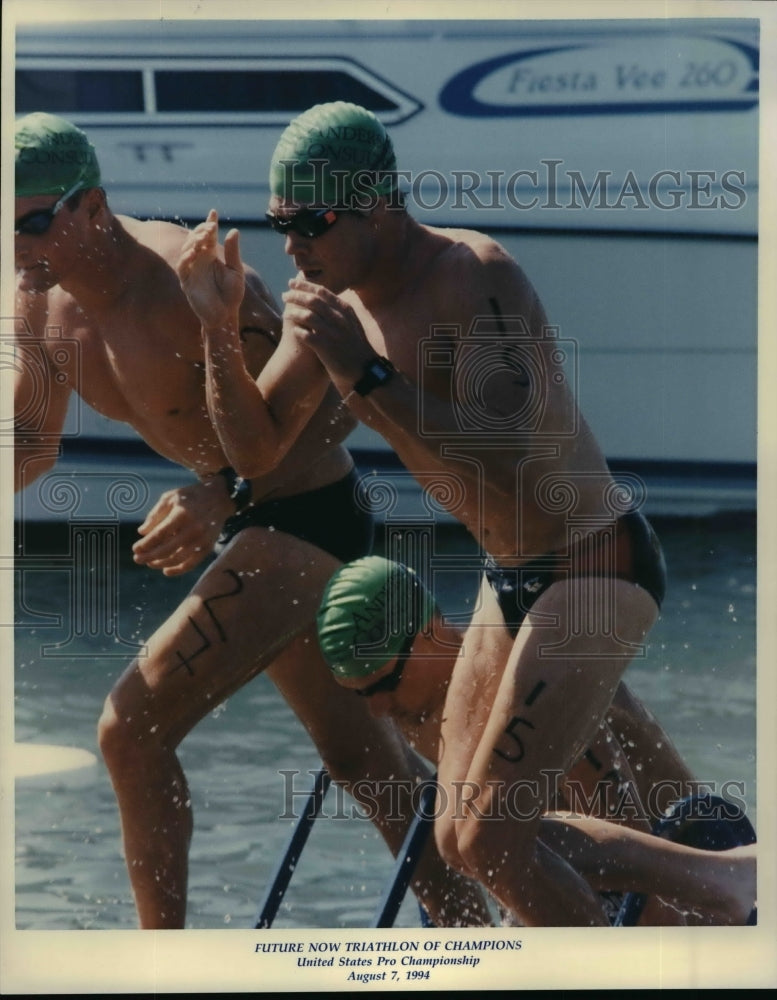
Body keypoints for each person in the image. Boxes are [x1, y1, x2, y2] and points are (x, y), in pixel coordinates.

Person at [175, 100, 757, 926]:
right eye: (277, 223)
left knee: (492, 836)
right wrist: (216, 333)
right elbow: (257, 453)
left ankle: (667, 929)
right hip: (509, 576)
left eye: (310, 221)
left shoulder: (470, 276)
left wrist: (368, 375)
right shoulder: (328, 307)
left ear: (375, 204)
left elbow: (517, 456)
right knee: (459, 835)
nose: (291, 245)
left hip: (593, 560)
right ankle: (724, 880)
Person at [13, 111, 490, 929]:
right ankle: (474, 930)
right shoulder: (39, 303)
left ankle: (161, 964)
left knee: (130, 730)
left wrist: (221, 493)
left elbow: (332, 401)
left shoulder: (175, 281)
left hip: (307, 512)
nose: (17, 243)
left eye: (31, 221)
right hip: (253, 525)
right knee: (361, 762)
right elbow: (27, 448)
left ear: (92, 207)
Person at [315, 555, 757, 926]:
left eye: (383, 683)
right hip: (612, 873)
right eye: (360, 693)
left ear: (430, 628)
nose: (376, 708)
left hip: (698, 861)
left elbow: (621, 824)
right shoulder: (421, 707)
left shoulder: (521, 683)